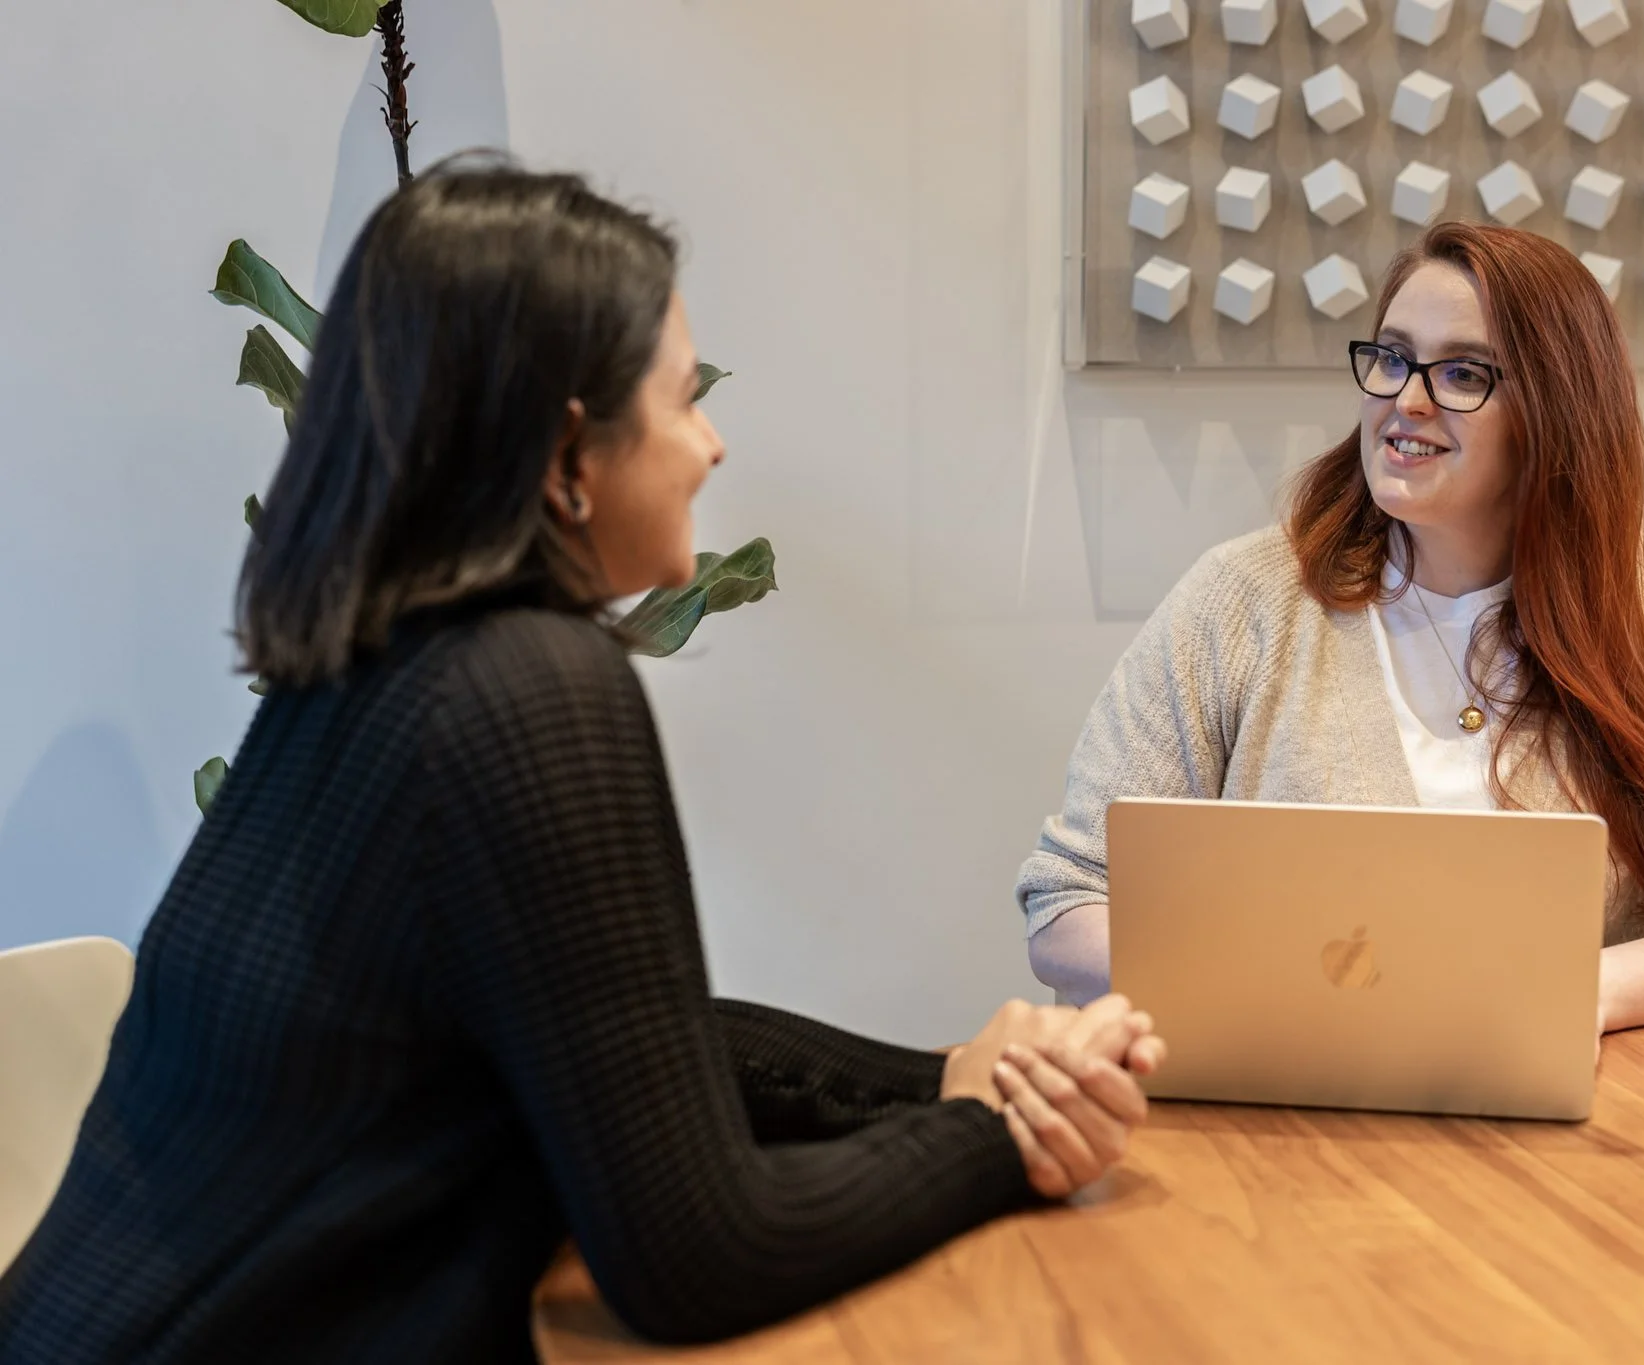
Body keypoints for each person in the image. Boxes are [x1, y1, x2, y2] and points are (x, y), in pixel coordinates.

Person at [0, 161, 1166, 1364]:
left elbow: (628, 1035)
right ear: (568, 450)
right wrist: (992, 1136)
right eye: (677, 402)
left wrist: (945, 1085)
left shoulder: (377, 663)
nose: (712, 445)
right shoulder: (526, 690)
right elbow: (698, 1260)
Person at [1018, 221, 1644, 1040]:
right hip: (1284, 1115)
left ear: (1557, 412)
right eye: (1390, 358)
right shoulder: (1242, 602)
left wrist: (1574, 994)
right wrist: (1290, 993)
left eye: (1463, 373)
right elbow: (1069, 898)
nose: (1406, 401)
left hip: (1576, 1136)